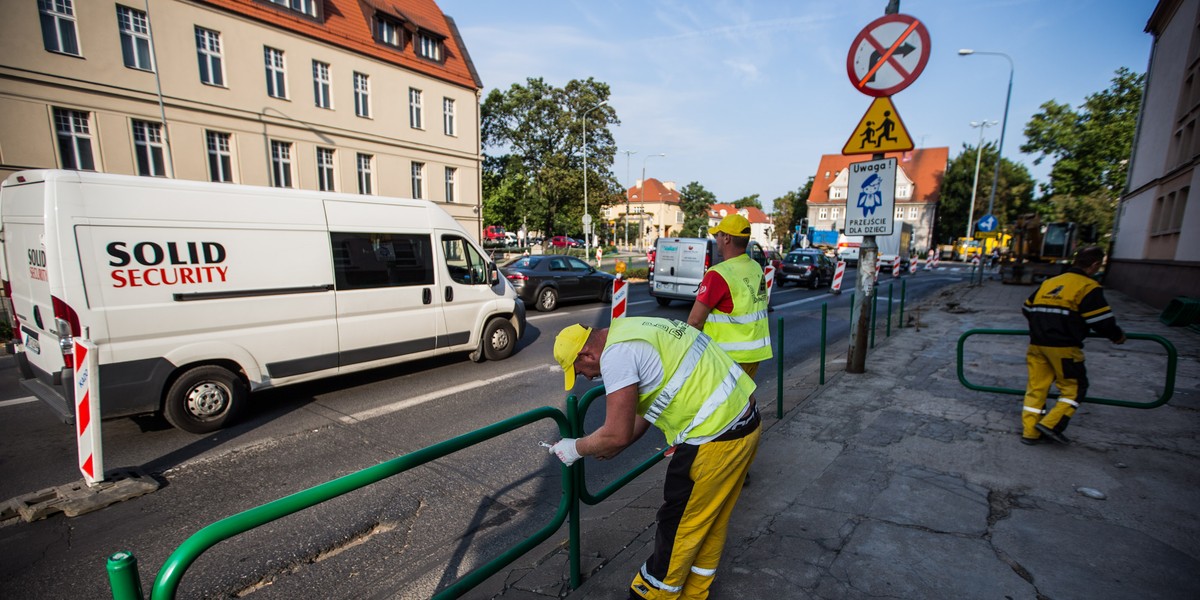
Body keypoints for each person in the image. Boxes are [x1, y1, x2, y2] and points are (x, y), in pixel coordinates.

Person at [549, 317, 760, 599]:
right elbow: (645, 410)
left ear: (587, 354)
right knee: (707, 525)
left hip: (713, 441)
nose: (587, 379)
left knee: (676, 531)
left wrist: (574, 448)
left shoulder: (617, 355)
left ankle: (651, 594)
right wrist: (615, 444)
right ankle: (695, 593)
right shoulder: (632, 328)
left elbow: (615, 434)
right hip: (743, 426)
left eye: (580, 371)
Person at [1020, 246, 1125, 445]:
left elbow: (1027, 308)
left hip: (1037, 344)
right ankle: (1051, 424)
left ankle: (1030, 433)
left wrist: (1044, 323)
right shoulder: (1087, 287)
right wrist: (1117, 336)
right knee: (1074, 388)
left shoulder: (1050, 283)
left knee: (1036, 388)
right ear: (1094, 265)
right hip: (1064, 347)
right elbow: (1102, 321)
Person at [687, 213, 772, 380]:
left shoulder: (718, 274)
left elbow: (695, 321)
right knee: (743, 400)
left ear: (726, 238)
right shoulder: (755, 267)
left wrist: (682, 349)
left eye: (718, 235)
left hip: (726, 357)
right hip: (754, 354)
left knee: (721, 404)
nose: (716, 239)